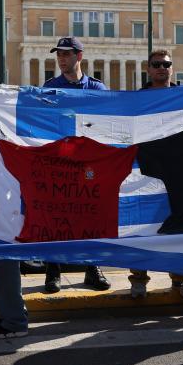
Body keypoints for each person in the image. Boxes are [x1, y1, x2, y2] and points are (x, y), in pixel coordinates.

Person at [40, 37, 110, 293]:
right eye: (58, 54)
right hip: (59, 161)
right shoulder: (50, 87)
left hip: (88, 163)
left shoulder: (97, 88)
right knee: (56, 217)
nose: (61, 59)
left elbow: (108, 122)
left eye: (66, 54)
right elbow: (41, 122)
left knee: (90, 215)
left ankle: (92, 269)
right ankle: (53, 272)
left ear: (79, 56)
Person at [128, 50, 183, 300]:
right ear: (148, 69)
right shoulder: (138, 99)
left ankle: (181, 278)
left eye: (166, 64)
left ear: (172, 68)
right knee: (142, 225)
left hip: (179, 171)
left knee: (178, 226)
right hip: (146, 170)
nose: (161, 68)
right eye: (156, 64)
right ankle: (138, 279)